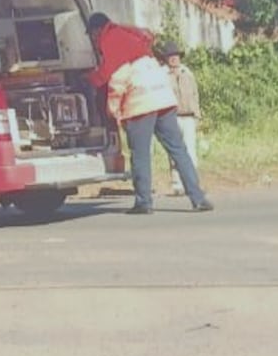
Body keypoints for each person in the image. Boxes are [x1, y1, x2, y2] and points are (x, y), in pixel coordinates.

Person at [86, 12, 213, 214]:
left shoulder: (110, 40)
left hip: (140, 105)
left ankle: (144, 202)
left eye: (92, 35)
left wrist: (96, 88)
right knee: (178, 150)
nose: (93, 40)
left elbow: (115, 78)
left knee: (140, 155)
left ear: (96, 30)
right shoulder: (132, 36)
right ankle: (198, 198)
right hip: (164, 99)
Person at [160, 40, 201, 196]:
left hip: (188, 116)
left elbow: (195, 94)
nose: (174, 58)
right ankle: (177, 184)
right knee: (175, 153)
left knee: (191, 150)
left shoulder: (187, 72)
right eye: (170, 56)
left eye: (175, 55)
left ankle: (192, 183)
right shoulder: (163, 74)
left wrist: (197, 114)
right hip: (172, 117)